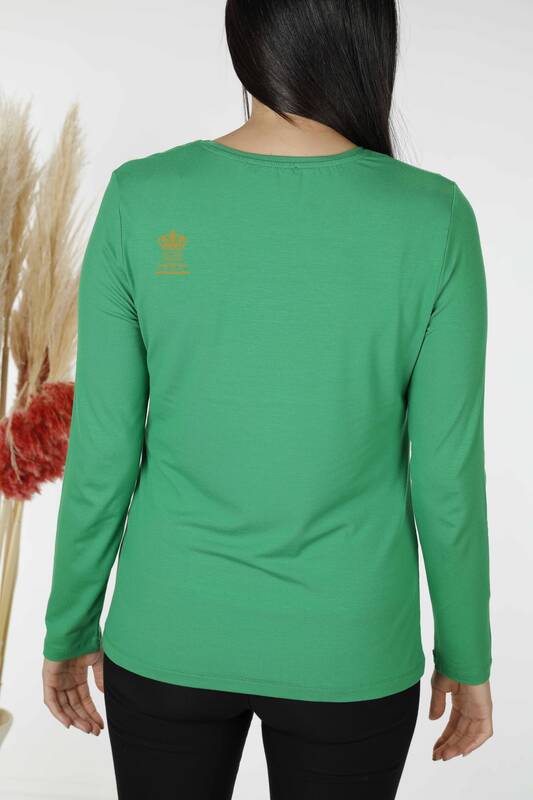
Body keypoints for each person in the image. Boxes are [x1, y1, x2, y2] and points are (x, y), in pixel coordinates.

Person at [41, 1, 494, 798]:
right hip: (348, 649)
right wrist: (466, 654)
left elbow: (103, 449)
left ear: (243, 38)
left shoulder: (142, 197)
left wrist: (69, 624)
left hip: (169, 633)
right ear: (368, 41)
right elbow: (445, 477)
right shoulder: (433, 216)